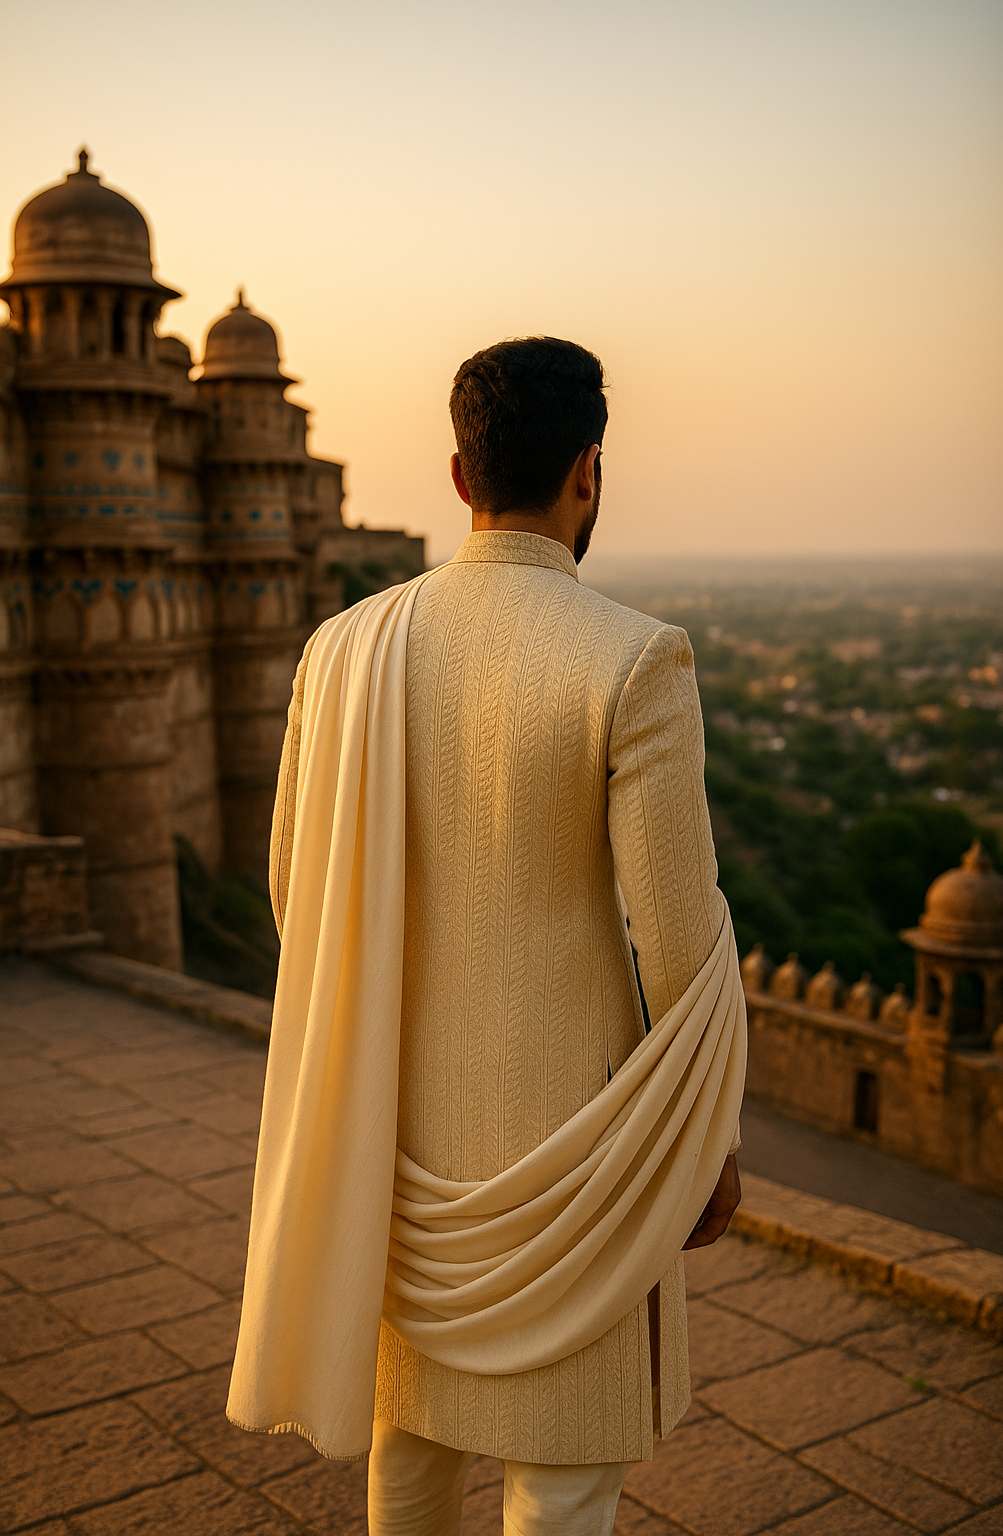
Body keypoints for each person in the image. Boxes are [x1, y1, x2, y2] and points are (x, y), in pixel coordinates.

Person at [227, 336, 746, 1536]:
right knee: (560, 1486)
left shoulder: (342, 649)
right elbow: (679, 942)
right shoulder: (633, 656)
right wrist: (703, 1136)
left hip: (392, 1132)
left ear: (459, 476)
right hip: (581, 1153)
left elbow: (296, 894)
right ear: (588, 472)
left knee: (409, 1460)